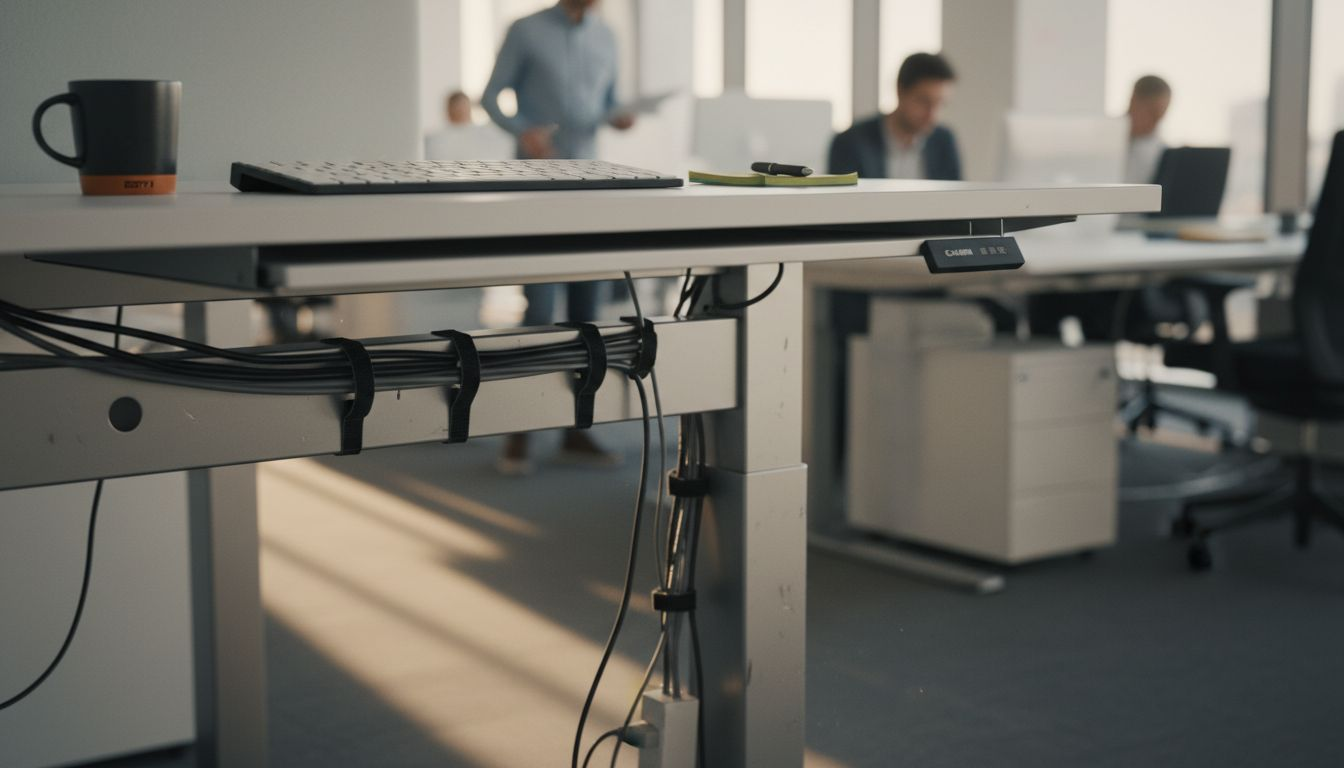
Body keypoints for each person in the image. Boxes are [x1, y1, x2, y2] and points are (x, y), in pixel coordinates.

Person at [482, 0, 635, 474]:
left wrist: (619, 115)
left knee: (587, 314)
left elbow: (608, 102)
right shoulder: (525, 30)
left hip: (592, 186)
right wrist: (522, 131)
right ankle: (519, 433)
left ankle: (576, 429)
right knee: (540, 313)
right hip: (539, 185)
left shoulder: (606, 36)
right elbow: (491, 97)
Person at [828, 52, 962, 180]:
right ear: (900, 90)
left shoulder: (943, 141)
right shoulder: (850, 143)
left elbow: (957, 194)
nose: (932, 115)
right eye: (924, 101)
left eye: (940, 104)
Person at [1124, 75, 1171, 184]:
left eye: (1161, 116)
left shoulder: (1162, 150)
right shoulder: (1101, 140)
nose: (1156, 122)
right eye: (1153, 114)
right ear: (1133, 102)